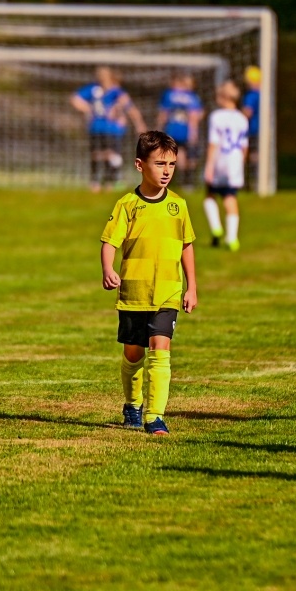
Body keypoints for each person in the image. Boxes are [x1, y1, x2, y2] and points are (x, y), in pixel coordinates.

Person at [100, 131, 199, 436]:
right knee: (134, 352)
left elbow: (186, 245)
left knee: (161, 349)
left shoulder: (178, 206)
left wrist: (191, 286)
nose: (167, 170)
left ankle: (155, 416)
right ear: (140, 165)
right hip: (134, 293)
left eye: (172, 163)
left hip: (168, 291)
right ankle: (133, 404)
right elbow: (109, 242)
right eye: (160, 163)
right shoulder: (128, 205)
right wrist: (108, 268)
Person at [71, 67, 145, 192]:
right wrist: (87, 108)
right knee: (96, 154)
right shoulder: (94, 90)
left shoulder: (116, 92)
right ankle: (95, 181)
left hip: (113, 128)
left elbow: (129, 107)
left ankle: (111, 180)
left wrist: (139, 123)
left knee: (111, 154)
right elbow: (75, 99)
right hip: (96, 127)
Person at [203, 81, 250, 251]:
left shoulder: (217, 117)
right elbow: (245, 146)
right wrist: (241, 163)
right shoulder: (242, 118)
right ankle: (232, 238)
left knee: (209, 194)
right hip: (235, 162)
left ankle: (216, 228)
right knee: (230, 198)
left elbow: (213, 143)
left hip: (220, 160)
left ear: (223, 97)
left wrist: (209, 166)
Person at [158, 74, 206, 183]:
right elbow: (195, 115)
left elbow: (163, 114)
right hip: (186, 130)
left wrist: (159, 128)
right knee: (186, 155)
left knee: (177, 154)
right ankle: (187, 181)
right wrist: (193, 131)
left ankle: (177, 180)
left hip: (172, 129)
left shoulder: (169, 95)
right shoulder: (191, 97)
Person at [242, 65, 262, 169]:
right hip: (264, 129)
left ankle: (254, 177)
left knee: (253, 154)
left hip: (253, 129)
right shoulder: (265, 94)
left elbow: (247, 112)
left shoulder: (251, 95)